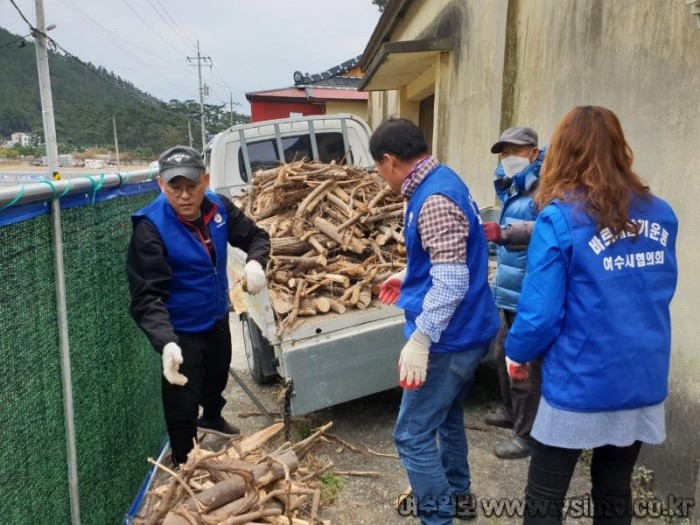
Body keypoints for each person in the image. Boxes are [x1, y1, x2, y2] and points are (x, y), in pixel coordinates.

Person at [505, 106, 678, 524]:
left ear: (563, 153)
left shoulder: (560, 217)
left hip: (580, 380)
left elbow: (540, 312)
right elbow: (656, 289)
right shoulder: (662, 214)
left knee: (545, 495)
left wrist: (517, 352)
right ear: (620, 149)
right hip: (641, 373)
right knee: (614, 489)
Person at [372, 117, 499, 524]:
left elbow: (451, 281)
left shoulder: (434, 199)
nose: (381, 177)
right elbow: (451, 257)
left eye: (379, 169)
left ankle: (438, 517)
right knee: (447, 416)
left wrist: (421, 340)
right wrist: (409, 274)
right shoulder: (442, 179)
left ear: (390, 161)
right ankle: (459, 496)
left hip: (451, 338)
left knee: (410, 436)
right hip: (469, 330)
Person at [127, 145, 271, 466]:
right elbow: (146, 297)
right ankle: (184, 460)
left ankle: (213, 417)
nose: (184, 196)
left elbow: (256, 236)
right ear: (160, 185)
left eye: (191, 186)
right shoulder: (150, 228)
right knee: (182, 399)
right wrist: (165, 343)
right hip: (181, 330)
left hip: (216, 315)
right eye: (174, 188)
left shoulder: (218, 207)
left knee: (217, 374)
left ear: (205, 180)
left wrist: (256, 263)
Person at [482, 126, 545, 459]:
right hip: (508, 289)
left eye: (515, 151)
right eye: (504, 152)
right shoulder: (513, 187)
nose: (509, 158)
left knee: (523, 364)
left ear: (533, 153)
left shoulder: (543, 188)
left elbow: (549, 227)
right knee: (501, 354)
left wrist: (504, 233)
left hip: (528, 290)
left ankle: (528, 435)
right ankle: (511, 413)